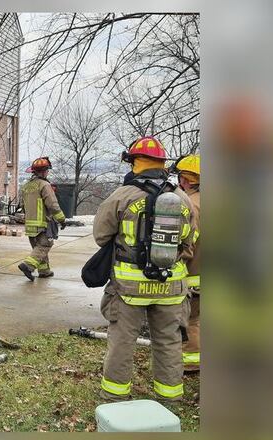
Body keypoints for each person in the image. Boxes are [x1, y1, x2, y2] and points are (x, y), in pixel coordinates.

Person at [93, 137, 196, 403]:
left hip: (129, 288)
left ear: (135, 162)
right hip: (171, 286)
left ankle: (114, 396)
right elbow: (190, 239)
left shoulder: (122, 196)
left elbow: (101, 236)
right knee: (169, 341)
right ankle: (170, 397)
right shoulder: (181, 198)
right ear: (162, 163)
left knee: (122, 340)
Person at [18, 156, 66, 281]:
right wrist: (61, 219)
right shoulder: (44, 185)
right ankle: (28, 266)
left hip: (30, 224)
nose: (48, 173)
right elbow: (52, 205)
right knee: (45, 245)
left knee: (38, 248)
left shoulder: (26, 187)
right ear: (44, 171)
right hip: (43, 224)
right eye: (47, 170)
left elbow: (22, 206)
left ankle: (44, 271)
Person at [174, 154, 201, 373]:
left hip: (195, 274)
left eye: (181, 177)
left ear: (187, 180)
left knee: (191, 319)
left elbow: (188, 241)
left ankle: (191, 361)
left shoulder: (192, 205)